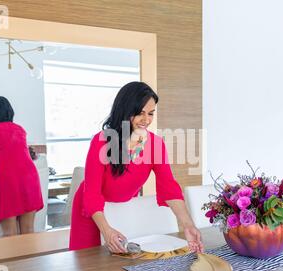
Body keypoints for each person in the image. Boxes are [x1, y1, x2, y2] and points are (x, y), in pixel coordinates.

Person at [69, 81, 204, 253]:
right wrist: (106, 230)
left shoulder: (155, 144)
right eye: (140, 113)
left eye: (151, 113)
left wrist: (188, 224)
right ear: (125, 110)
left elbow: (169, 187)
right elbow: (92, 193)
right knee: (87, 263)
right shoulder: (101, 141)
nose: (146, 120)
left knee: (123, 261)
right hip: (91, 210)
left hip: (123, 208)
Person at [0, 96, 44, 237]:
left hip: (7, 182)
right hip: (30, 179)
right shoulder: (19, 129)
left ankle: (14, 260)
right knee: (29, 231)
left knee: (10, 233)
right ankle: (29, 259)